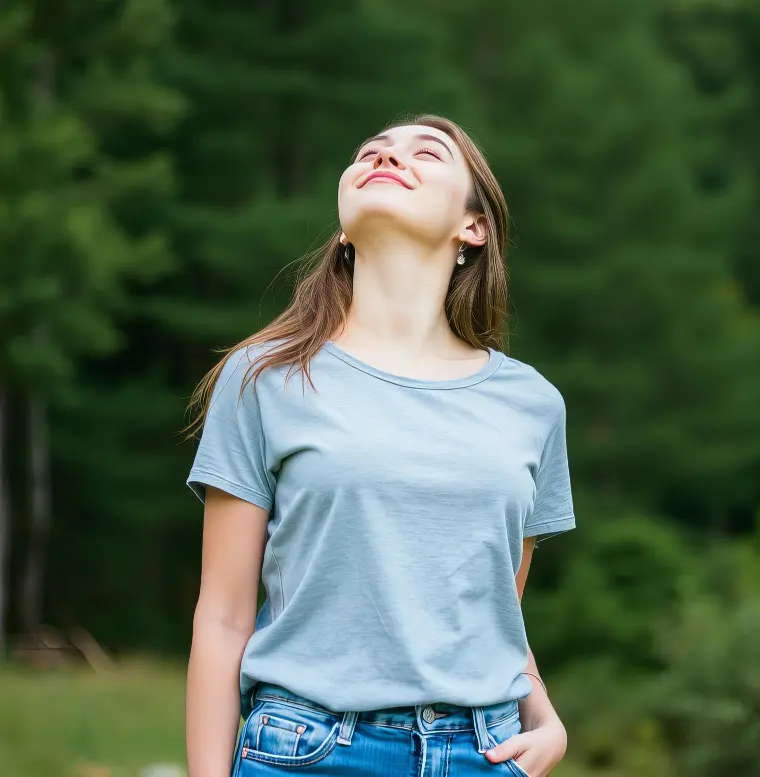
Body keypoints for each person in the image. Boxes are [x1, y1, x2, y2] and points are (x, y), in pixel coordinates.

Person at [184, 114, 576, 777]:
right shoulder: (265, 378)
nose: (387, 157)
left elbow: (494, 613)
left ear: (472, 229)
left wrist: (548, 719)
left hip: (485, 754)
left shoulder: (531, 404)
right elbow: (222, 619)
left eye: (425, 152)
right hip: (306, 753)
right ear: (343, 226)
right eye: (371, 151)